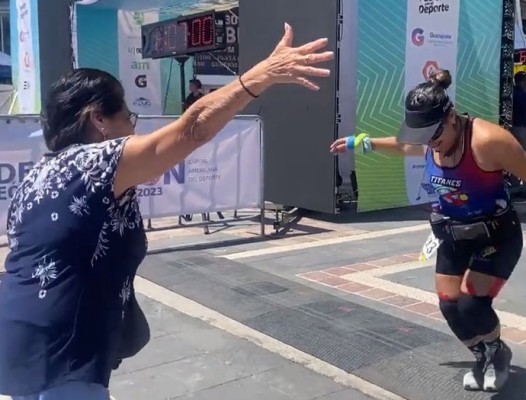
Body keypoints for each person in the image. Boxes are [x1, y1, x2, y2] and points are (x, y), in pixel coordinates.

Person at [0, 23, 333, 400]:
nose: (133, 128)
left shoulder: (40, 174)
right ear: (98, 120)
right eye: (128, 116)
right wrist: (260, 76)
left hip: (24, 344)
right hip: (64, 355)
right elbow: (191, 131)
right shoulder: (95, 161)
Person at [330, 70, 526, 393]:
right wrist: (363, 143)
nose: (430, 144)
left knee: (472, 304)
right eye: (423, 137)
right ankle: (483, 353)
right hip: (453, 233)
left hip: (497, 234)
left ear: (451, 117)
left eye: (434, 136)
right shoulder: (429, 139)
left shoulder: (487, 140)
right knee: (449, 305)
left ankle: (498, 353)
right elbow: (403, 147)